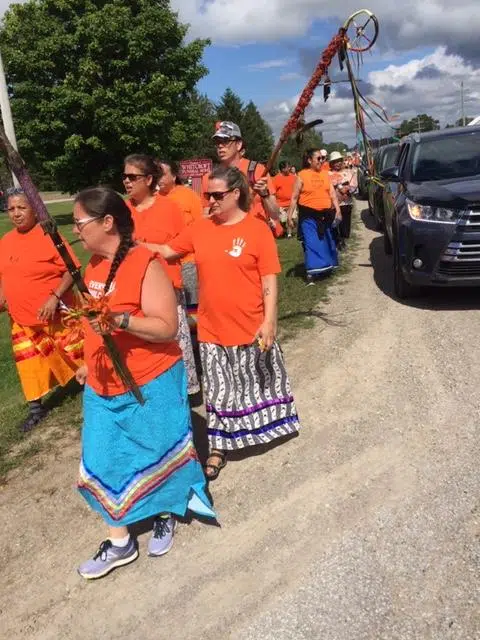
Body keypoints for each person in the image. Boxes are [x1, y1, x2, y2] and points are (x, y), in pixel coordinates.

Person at [72, 187, 214, 580]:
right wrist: (87, 362)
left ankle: (166, 511)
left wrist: (121, 321)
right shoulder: (92, 268)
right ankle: (120, 542)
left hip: (150, 379)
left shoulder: (144, 263)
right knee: (102, 455)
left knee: (158, 448)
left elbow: (168, 328)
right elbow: (90, 325)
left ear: (107, 222)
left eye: (79, 222)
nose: (76, 230)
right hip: (103, 384)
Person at [157, 166, 300, 480]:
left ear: (236, 193)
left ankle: (266, 427)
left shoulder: (256, 229)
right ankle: (218, 448)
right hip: (211, 328)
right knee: (219, 392)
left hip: (250, 325)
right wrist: (130, 247)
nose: (210, 201)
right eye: (208, 195)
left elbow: (268, 279)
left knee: (254, 384)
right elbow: (168, 251)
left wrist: (270, 321)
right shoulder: (201, 227)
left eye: (218, 195)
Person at [0, 188, 83, 432]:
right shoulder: (5, 241)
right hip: (21, 318)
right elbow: (5, 274)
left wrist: (54, 298)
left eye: (21, 207)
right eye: (11, 208)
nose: (16, 213)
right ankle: (36, 409)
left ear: (34, 210)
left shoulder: (50, 236)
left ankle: (94, 384)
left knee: (75, 351)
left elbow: (72, 269)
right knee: (29, 364)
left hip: (56, 314)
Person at [123, 154, 200, 396]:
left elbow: (181, 247)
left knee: (174, 342)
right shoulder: (122, 212)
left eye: (132, 177)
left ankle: (185, 391)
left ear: (148, 179)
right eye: (124, 176)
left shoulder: (169, 208)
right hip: (135, 291)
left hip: (167, 288)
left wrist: (146, 248)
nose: (126, 181)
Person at [202, 121, 282, 236]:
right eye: (217, 142)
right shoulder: (209, 178)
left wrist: (265, 194)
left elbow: (275, 214)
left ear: (238, 145)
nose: (220, 146)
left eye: (225, 141)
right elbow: (205, 213)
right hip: (224, 238)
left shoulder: (256, 170)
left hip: (255, 236)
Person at [156, 159, 203, 336]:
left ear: (174, 176)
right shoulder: (154, 200)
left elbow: (200, 227)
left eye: (163, 174)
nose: (158, 178)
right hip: (164, 265)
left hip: (188, 262)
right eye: (156, 174)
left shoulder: (188, 195)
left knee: (193, 310)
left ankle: (198, 348)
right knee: (173, 311)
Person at [287, 149, 342, 284]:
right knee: (312, 242)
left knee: (327, 242)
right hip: (308, 216)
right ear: (309, 160)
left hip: (325, 215)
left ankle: (326, 267)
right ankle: (312, 272)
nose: (321, 161)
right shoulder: (302, 175)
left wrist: (338, 210)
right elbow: (294, 198)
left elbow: (332, 194)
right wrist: (289, 216)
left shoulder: (325, 175)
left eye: (322, 158)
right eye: (318, 158)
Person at [329, 151, 358, 244]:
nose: (337, 163)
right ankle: (337, 241)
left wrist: (348, 189)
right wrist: (338, 187)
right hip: (333, 205)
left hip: (346, 204)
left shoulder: (349, 172)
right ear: (331, 163)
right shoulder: (327, 174)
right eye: (335, 161)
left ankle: (343, 240)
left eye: (339, 161)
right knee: (334, 225)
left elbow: (354, 187)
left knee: (345, 227)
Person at [273, 160, 297, 237]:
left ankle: (289, 234)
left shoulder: (294, 177)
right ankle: (284, 229)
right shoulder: (276, 179)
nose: (289, 168)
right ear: (283, 169)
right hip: (280, 204)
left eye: (289, 166)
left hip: (291, 203)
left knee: (291, 218)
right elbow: (273, 191)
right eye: (287, 167)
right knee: (282, 220)